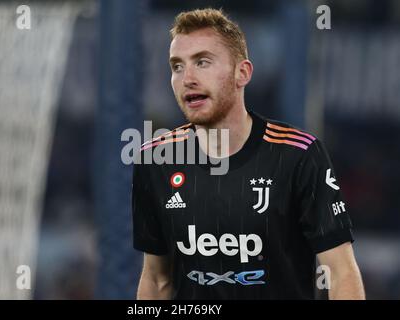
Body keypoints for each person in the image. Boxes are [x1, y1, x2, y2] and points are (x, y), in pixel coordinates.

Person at [132, 8, 365, 299]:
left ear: (242, 73)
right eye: (177, 66)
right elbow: (156, 279)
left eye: (202, 62)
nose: (187, 77)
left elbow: (340, 272)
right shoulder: (156, 160)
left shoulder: (298, 155)